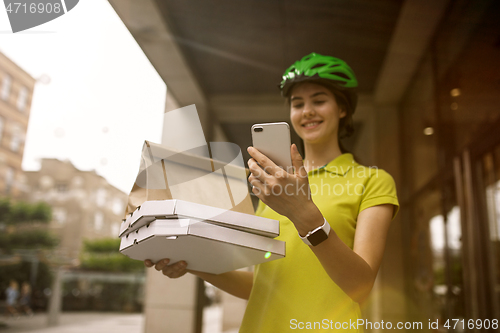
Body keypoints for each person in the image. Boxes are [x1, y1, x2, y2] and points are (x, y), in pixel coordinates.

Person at [145, 53, 399, 332]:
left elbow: (361, 286)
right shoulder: (274, 187)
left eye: (319, 100)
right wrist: (191, 264)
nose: (307, 111)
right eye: (297, 103)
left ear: (342, 109)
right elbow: (260, 283)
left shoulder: (372, 180)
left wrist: (304, 215)